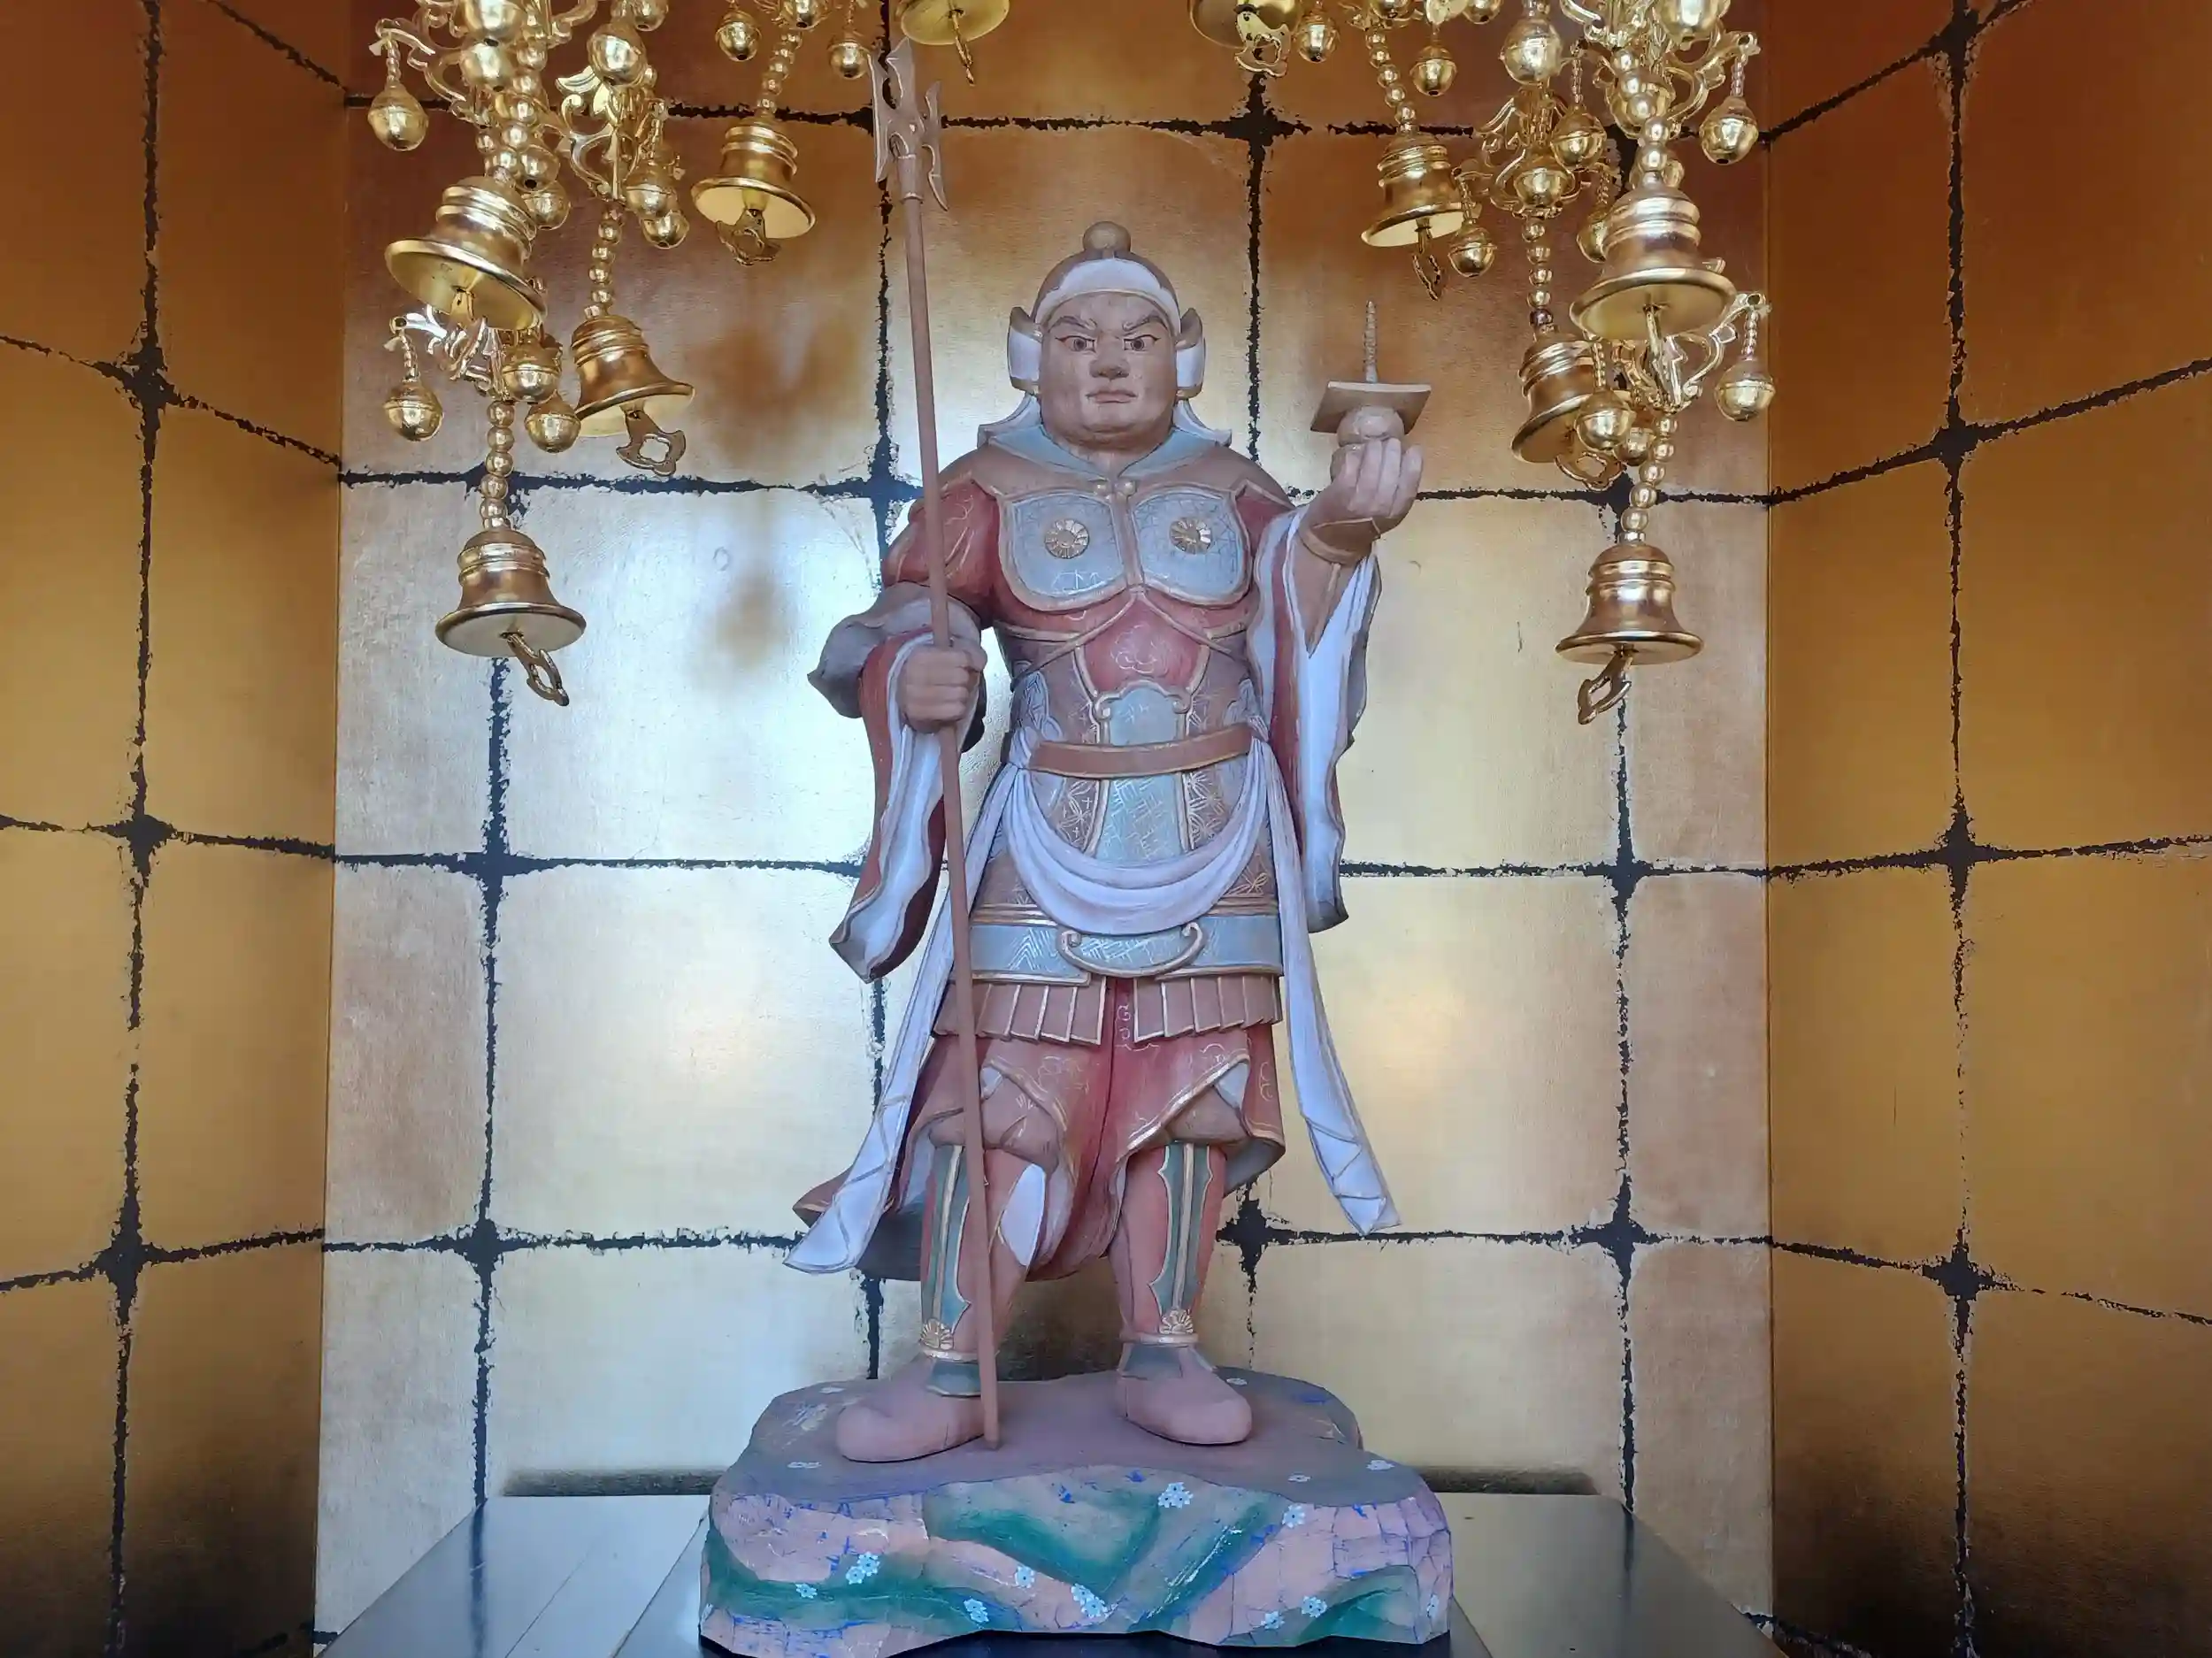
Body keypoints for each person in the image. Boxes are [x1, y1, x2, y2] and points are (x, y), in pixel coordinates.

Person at [788, 222, 1421, 1462]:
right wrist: (915, 672)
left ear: (1185, 358)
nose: (1111, 361)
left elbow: (1299, 611)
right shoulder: (980, 492)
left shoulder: (1237, 492)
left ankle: (1164, 1346)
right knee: (993, 1099)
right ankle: (951, 1359)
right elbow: (889, 625)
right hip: (1046, 835)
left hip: (1215, 833)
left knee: (1192, 1103)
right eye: (1079, 339)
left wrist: (1341, 535)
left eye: (1139, 338)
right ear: (1032, 357)